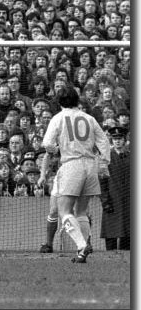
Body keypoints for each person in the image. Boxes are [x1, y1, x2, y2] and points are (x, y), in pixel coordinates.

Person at [42, 84, 110, 263]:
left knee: (64, 211)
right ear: (76, 100)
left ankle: (81, 245)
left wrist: (58, 148)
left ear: (59, 101)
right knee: (81, 211)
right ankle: (82, 251)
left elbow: (47, 144)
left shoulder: (58, 118)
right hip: (90, 165)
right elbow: (103, 141)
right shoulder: (89, 118)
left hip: (71, 164)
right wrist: (104, 163)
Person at [99, 126, 130, 251]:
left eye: (120, 138)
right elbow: (102, 181)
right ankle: (109, 259)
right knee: (110, 232)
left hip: (129, 200)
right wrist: (105, 200)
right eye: (114, 138)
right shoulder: (105, 158)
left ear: (125, 140)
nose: (117, 141)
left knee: (128, 233)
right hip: (112, 199)